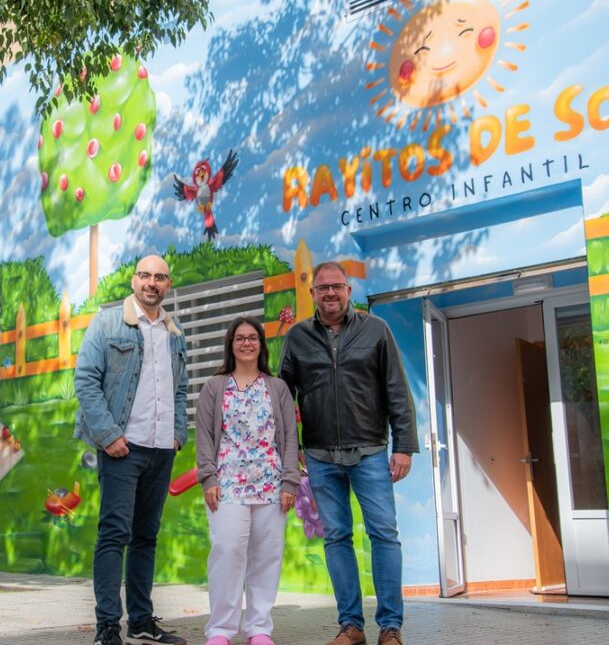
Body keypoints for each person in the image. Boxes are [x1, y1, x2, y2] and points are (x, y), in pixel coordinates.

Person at [279, 261, 418, 645]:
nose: (330, 294)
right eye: (323, 288)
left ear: (349, 290)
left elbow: (397, 390)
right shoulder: (297, 337)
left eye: (337, 287)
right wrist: (291, 451)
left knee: (384, 535)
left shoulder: (377, 330)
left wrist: (403, 446)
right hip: (320, 457)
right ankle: (351, 626)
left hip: (371, 452)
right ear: (312, 294)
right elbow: (282, 398)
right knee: (337, 538)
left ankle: (390, 627)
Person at [75, 254, 189, 645]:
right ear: (133, 280)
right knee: (114, 534)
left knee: (146, 537)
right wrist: (107, 434)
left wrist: (177, 433)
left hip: (161, 450)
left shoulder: (175, 333)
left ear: (167, 284)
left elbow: (179, 390)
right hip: (123, 448)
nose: (151, 283)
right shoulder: (108, 323)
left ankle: (141, 620)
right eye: (145, 276)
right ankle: (108, 625)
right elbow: (85, 380)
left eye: (159, 277)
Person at [195, 317, 299, 645]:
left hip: (271, 485)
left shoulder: (277, 387)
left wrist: (290, 481)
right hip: (227, 487)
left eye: (252, 337)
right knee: (227, 553)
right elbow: (204, 435)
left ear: (261, 344)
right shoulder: (214, 387)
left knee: (266, 557)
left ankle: (258, 628)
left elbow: (290, 437)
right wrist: (208, 476)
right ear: (231, 345)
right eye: (239, 338)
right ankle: (220, 631)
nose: (246, 343)